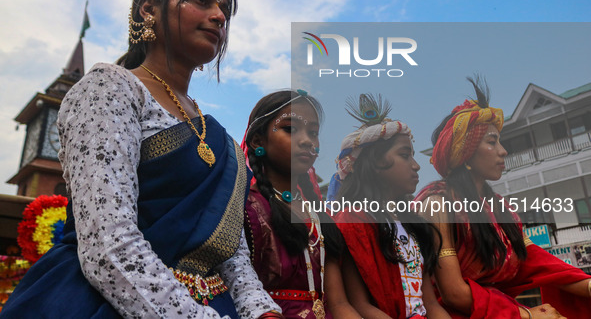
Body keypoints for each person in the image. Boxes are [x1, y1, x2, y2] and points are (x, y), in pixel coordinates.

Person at [2, 0, 282, 319]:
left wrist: (262, 312)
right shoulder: (110, 90)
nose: (218, 16)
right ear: (148, 9)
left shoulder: (220, 140)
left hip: (214, 304)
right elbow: (108, 245)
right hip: (103, 301)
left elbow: (231, 254)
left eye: (224, 9)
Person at [415, 77, 591, 319]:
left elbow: (536, 262)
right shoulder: (436, 203)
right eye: (491, 141)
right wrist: (527, 316)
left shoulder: (500, 209)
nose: (503, 150)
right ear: (465, 153)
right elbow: (453, 293)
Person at [329, 94, 450, 319]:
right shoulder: (351, 222)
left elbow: (430, 304)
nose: (416, 166)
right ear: (374, 163)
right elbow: (360, 305)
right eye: (405, 155)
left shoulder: (413, 225)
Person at [242, 90, 346, 319]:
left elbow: (338, 304)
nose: (307, 140)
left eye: (313, 133)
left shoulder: (319, 216)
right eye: (290, 129)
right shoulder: (246, 210)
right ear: (259, 140)